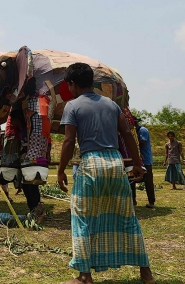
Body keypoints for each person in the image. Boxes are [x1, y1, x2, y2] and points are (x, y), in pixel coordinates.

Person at [57, 63, 154, 284]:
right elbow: (128, 135)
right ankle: (146, 273)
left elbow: (69, 140)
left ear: (72, 84)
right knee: (126, 216)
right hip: (115, 163)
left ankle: (84, 276)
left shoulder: (72, 106)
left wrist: (61, 170)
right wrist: (138, 164)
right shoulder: (111, 105)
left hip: (91, 163)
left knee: (82, 218)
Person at [130, 119, 156, 208]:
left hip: (145, 160)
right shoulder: (132, 131)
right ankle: (133, 201)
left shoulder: (142, 130)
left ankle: (151, 202)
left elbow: (142, 142)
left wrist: (130, 139)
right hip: (134, 160)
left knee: (148, 181)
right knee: (132, 180)